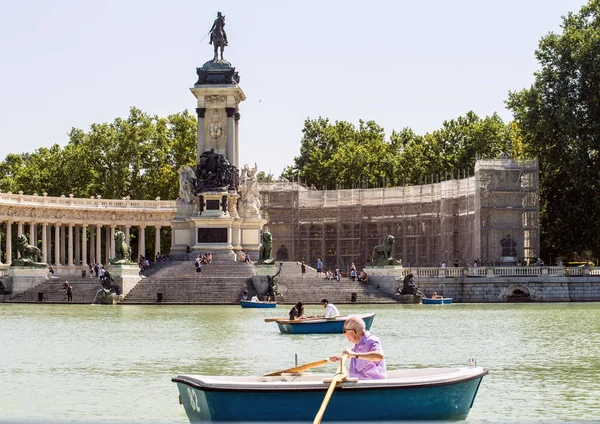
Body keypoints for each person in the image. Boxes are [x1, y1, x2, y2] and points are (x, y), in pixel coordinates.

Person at [329, 316, 386, 380]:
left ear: (353, 332)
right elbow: (356, 354)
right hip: (358, 381)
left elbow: (379, 356)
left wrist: (353, 354)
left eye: (344, 331)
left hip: (371, 382)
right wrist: (339, 357)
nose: (343, 333)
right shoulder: (359, 343)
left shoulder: (372, 340)